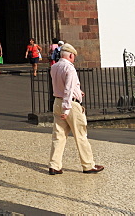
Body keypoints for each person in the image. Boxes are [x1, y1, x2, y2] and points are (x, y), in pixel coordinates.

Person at [48, 43, 104, 175]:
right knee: (80, 135)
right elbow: (68, 89)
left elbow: (62, 86)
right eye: (74, 57)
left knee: (58, 135)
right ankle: (88, 165)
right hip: (70, 105)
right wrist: (67, 109)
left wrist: (78, 92)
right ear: (71, 55)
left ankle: (54, 165)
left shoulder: (54, 67)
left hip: (57, 101)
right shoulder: (70, 69)